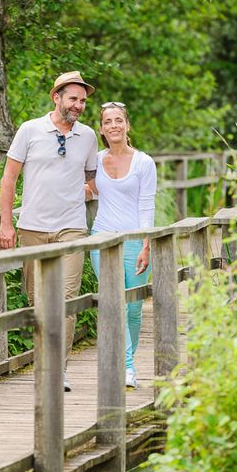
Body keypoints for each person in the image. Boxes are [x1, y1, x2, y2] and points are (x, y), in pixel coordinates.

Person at [0, 71, 98, 392]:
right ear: (56, 97)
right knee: (37, 302)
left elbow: (94, 181)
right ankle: (44, 362)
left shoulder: (88, 136)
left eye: (83, 101)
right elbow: (9, 179)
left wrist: (79, 192)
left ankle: (58, 370)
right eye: (73, 99)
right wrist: (5, 223)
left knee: (65, 300)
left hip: (71, 228)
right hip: (32, 229)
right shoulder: (30, 130)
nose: (79, 105)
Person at [88, 101, 157, 389]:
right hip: (102, 238)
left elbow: (146, 205)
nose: (113, 125)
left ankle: (126, 360)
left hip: (133, 241)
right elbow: (85, 190)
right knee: (113, 302)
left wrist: (146, 244)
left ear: (127, 125)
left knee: (133, 308)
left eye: (118, 120)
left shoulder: (143, 162)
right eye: (108, 122)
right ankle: (126, 367)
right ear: (102, 129)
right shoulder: (95, 160)